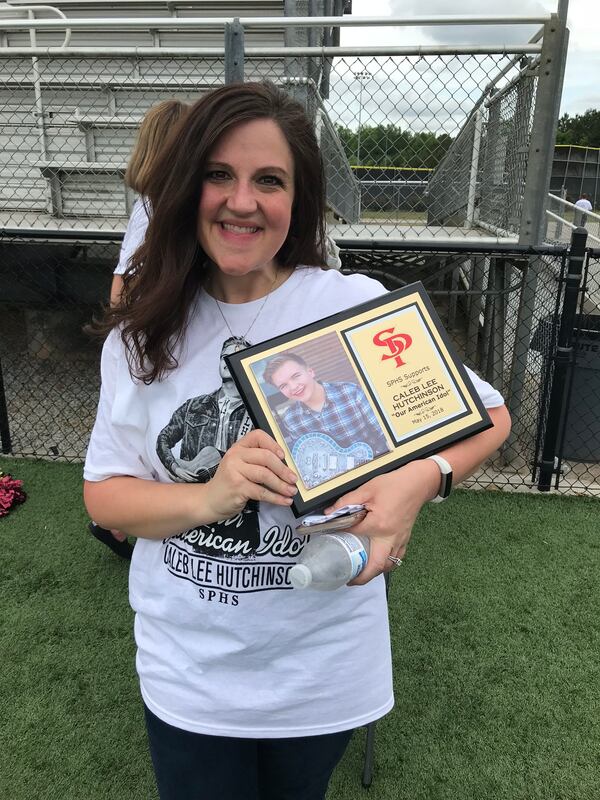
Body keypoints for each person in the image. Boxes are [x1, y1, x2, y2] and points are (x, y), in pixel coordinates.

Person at [83, 81, 511, 800]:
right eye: (218, 174)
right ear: (185, 187)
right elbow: (105, 497)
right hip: (190, 672)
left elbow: (488, 415)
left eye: (268, 180)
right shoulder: (141, 331)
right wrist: (212, 495)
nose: (241, 201)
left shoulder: (349, 306)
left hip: (322, 669)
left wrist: (417, 480)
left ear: (298, 198)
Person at [89, 99, 190, 559]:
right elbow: (122, 288)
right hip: (148, 339)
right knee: (142, 436)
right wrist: (145, 333)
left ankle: (118, 519)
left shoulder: (157, 205)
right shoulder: (154, 208)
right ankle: (112, 522)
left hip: (146, 336)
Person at [263, 351, 389, 486]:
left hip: (379, 469)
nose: (293, 387)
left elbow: (385, 435)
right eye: (283, 386)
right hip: (339, 482)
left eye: (296, 376)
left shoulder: (351, 392)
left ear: (310, 372)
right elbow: (312, 462)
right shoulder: (290, 420)